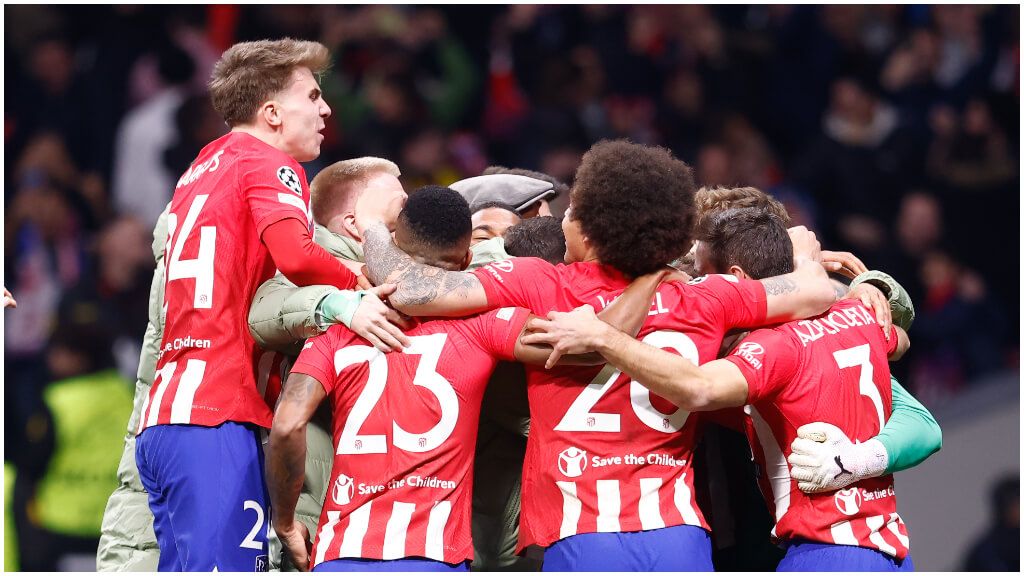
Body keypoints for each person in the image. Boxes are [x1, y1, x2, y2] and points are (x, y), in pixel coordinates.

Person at [353, 140, 838, 570]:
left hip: (583, 533)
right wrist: (804, 253)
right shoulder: (706, 296)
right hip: (679, 537)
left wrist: (374, 225)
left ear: (591, 229)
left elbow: (412, 290)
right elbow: (816, 291)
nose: (563, 219)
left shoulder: (541, 283)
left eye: (570, 212)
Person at [267, 185, 653, 571]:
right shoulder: (485, 327)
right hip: (435, 555)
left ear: (395, 251)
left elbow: (286, 426)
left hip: (340, 552)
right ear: (468, 258)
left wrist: (285, 522)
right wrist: (649, 277)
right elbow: (593, 346)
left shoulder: (340, 327)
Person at [523, 207, 917, 571]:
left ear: (735, 279)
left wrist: (603, 337)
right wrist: (869, 288)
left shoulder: (767, 350)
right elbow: (900, 344)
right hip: (889, 548)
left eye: (701, 275)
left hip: (823, 552)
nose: (694, 287)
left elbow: (698, 389)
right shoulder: (856, 316)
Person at [134, 39, 364, 572]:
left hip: (167, 416)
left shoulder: (201, 166)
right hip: (217, 415)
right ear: (273, 113)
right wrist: (362, 280)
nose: (326, 109)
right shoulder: (270, 162)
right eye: (313, 95)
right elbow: (299, 257)